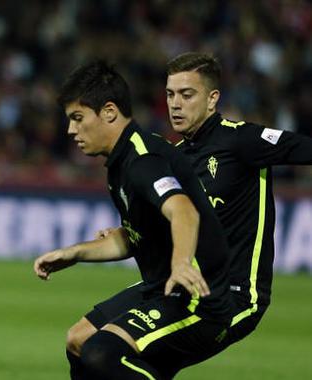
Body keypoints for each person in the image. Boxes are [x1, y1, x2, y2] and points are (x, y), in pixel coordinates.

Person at [62, 52, 312, 377]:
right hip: (177, 282)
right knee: (80, 341)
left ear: (212, 100)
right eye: (170, 94)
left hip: (233, 293)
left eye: (187, 94)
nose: (176, 104)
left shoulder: (242, 140)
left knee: (104, 354)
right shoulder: (171, 156)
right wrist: (125, 234)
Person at [34, 61, 235, 379]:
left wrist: (182, 263)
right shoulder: (120, 160)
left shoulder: (143, 161)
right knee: (78, 340)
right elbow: (134, 236)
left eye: (77, 118)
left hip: (198, 296)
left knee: (101, 353)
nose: (71, 130)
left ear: (109, 112)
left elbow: (183, 210)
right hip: (162, 287)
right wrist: (74, 253)